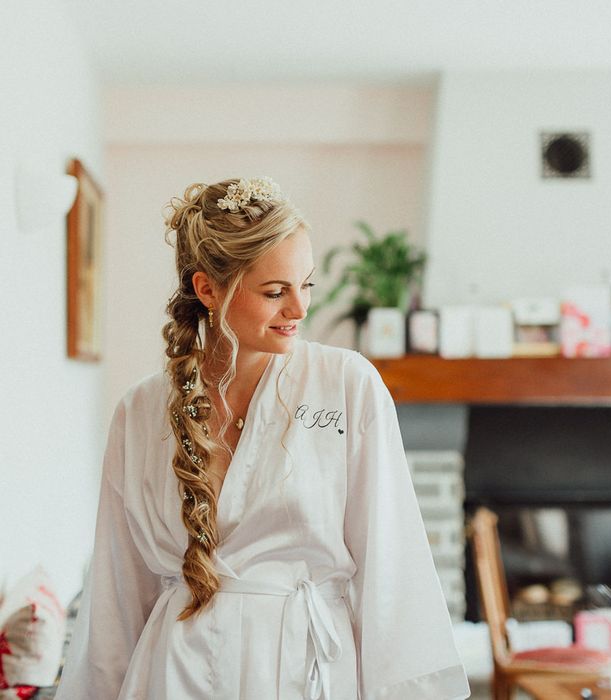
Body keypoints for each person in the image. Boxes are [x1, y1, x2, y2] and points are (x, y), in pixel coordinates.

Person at [55, 177, 470, 700]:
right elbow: (117, 591)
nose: (300, 309)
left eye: (307, 285)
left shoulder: (346, 385)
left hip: (301, 670)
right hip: (172, 675)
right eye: (275, 292)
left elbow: (392, 563)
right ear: (207, 289)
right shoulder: (139, 412)